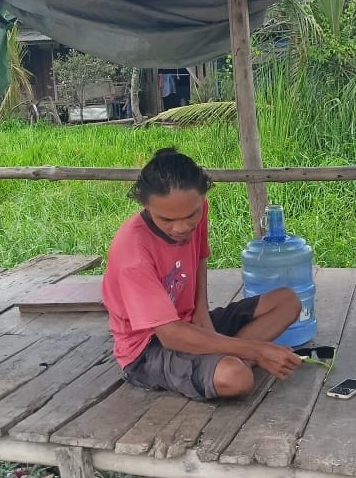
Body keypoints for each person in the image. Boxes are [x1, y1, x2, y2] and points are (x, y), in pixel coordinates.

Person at [101, 148, 303, 400]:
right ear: (146, 205)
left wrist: (201, 309)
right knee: (236, 378)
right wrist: (256, 350)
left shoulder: (197, 206)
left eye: (191, 216)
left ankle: (224, 358)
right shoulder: (132, 253)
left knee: (288, 301)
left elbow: (200, 257)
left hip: (187, 322)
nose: (181, 227)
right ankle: (233, 360)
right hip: (149, 347)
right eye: (167, 220)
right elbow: (170, 335)